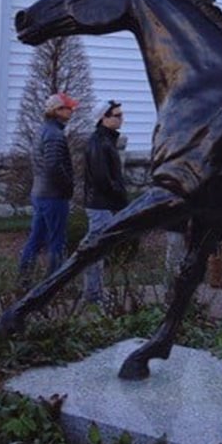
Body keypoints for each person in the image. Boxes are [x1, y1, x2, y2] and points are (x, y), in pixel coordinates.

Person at [18, 92, 79, 287]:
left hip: (41, 192)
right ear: (57, 110)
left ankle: (24, 279)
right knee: (57, 240)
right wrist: (68, 184)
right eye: (68, 108)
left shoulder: (44, 130)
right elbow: (54, 166)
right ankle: (54, 283)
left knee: (36, 238)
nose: (72, 111)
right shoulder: (54, 134)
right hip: (53, 195)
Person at [82, 100, 128, 305]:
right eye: (116, 116)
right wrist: (118, 194)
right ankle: (93, 295)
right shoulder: (99, 142)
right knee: (95, 251)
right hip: (100, 204)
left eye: (121, 115)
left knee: (96, 249)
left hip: (103, 203)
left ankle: (94, 293)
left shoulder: (106, 140)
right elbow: (102, 178)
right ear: (104, 118)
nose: (121, 119)